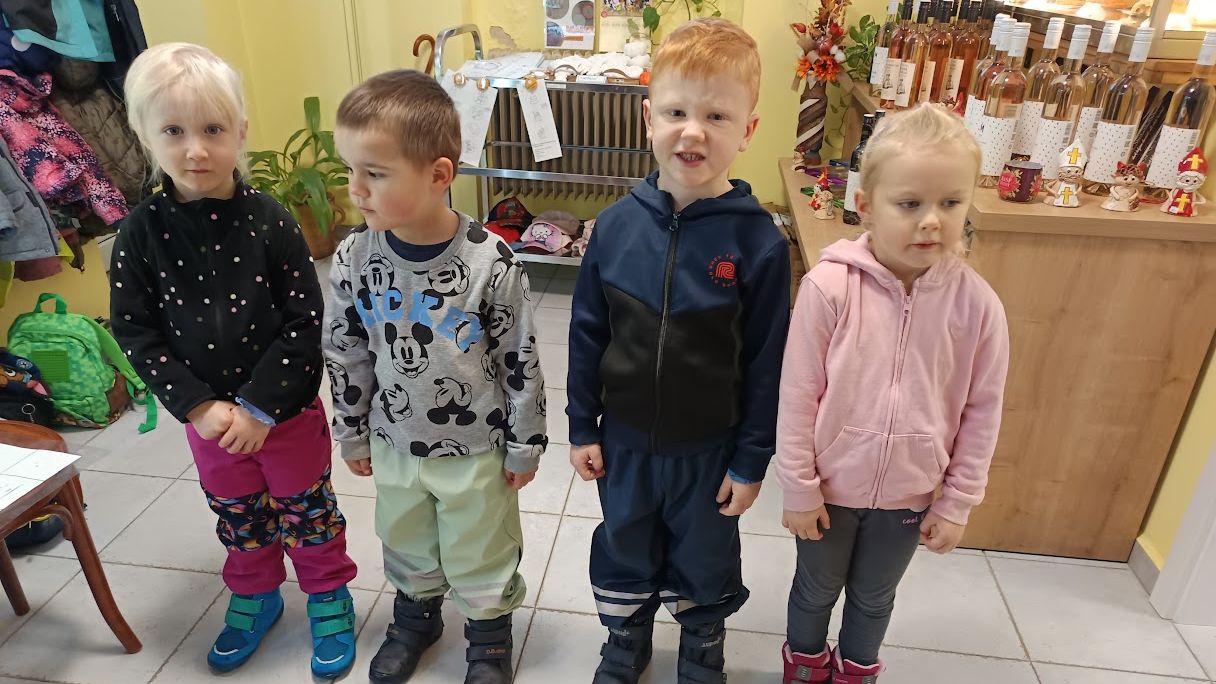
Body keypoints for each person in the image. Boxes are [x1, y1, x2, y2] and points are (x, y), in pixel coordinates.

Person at [110, 42, 357, 678]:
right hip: (210, 424)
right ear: (145, 135)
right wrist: (197, 406)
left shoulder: (271, 222)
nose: (196, 149)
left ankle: (327, 594)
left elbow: (305, 323)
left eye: (213, 130)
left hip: (285, 416)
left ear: (240, 132)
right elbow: (135, 329)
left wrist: (259, 407)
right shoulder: (139, 233)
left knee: (308, 511)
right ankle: (255, 593)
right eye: (174, 131)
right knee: (239, 515)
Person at [566, 17, 791, 684]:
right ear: (648, 119)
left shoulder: (760, 244)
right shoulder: (613, 227)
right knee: (624, 547)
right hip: (625, 444)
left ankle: (701, 644)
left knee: (705, 557)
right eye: (676, 112)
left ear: (747, 130)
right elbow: (586, 332)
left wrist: (751, 460)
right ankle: (626, 637)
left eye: (716, 115)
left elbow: (767, 363)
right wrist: (582, 425)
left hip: (709, 451)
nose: (693, 131)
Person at [323, 69, 548, 684]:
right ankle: (415, 619)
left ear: (438, 174)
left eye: (375, 173)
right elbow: (345, 350)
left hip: (476, 448)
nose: (355, 189)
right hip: (395, 439)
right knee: (406, 538)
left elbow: (521, 359)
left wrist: (525, 443)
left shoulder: (492, 263)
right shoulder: (354, 256)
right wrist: (352, 432)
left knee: (481, 547)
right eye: (350, 170)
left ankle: (489, 638)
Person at [776, 103, 1010, 683]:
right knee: (815, 589)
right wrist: (799, 488)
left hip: (909, 495)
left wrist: (956, 502)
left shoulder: (978, 307)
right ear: (865, 205)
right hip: (829, 489)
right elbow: (798, 395)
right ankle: (804, 667)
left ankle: (857, 671)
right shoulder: (829, 288)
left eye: (950, 203)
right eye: (910, 204)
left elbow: (983, 411)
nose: (931, 221)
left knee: (875, 597)